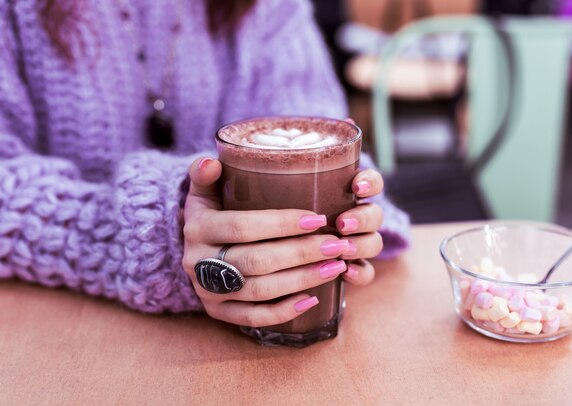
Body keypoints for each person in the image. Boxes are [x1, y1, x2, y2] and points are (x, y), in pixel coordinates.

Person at [0, 0, 410, 328]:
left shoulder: (270, 9)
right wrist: (159, 231)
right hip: (56, 335)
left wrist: (349, 220)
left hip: (255, 351)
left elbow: (322, 138)